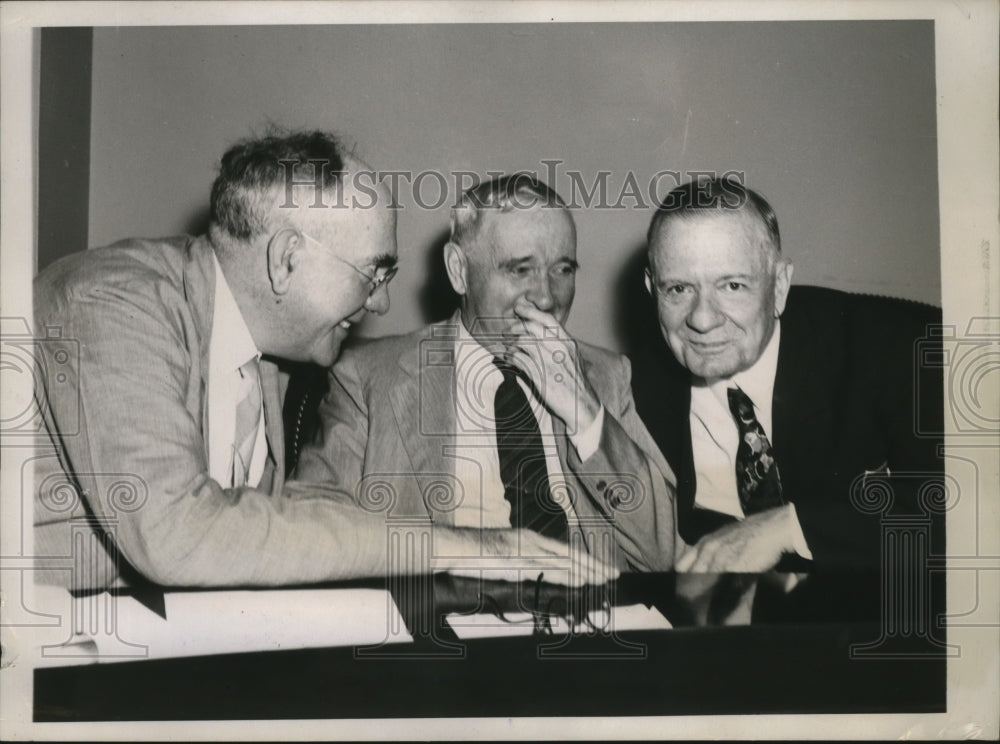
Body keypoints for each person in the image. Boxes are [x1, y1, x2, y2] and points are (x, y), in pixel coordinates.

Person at [33, 131, 601, 589]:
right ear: (286, 259)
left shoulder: (270, 356)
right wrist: (472, 546)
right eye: (373, 272)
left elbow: (272, 529)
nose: (380, 301)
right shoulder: (111, 301)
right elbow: (178, 535)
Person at [295, 174, 677, 573]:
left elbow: (664, 554)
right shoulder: (368, 376)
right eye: (520, 270)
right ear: (459, 270)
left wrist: (586, 416)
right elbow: (312, 531)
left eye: (563, 270)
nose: (547, 297)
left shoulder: (606, 375)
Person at [632, 177, 944, 581]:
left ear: (779, 285)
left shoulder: (897, 348)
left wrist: (792, 528)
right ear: (651, 289)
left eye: (732, 285)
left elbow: (969, 508)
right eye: (677, 289)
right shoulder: (632, 389)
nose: (702, 319)